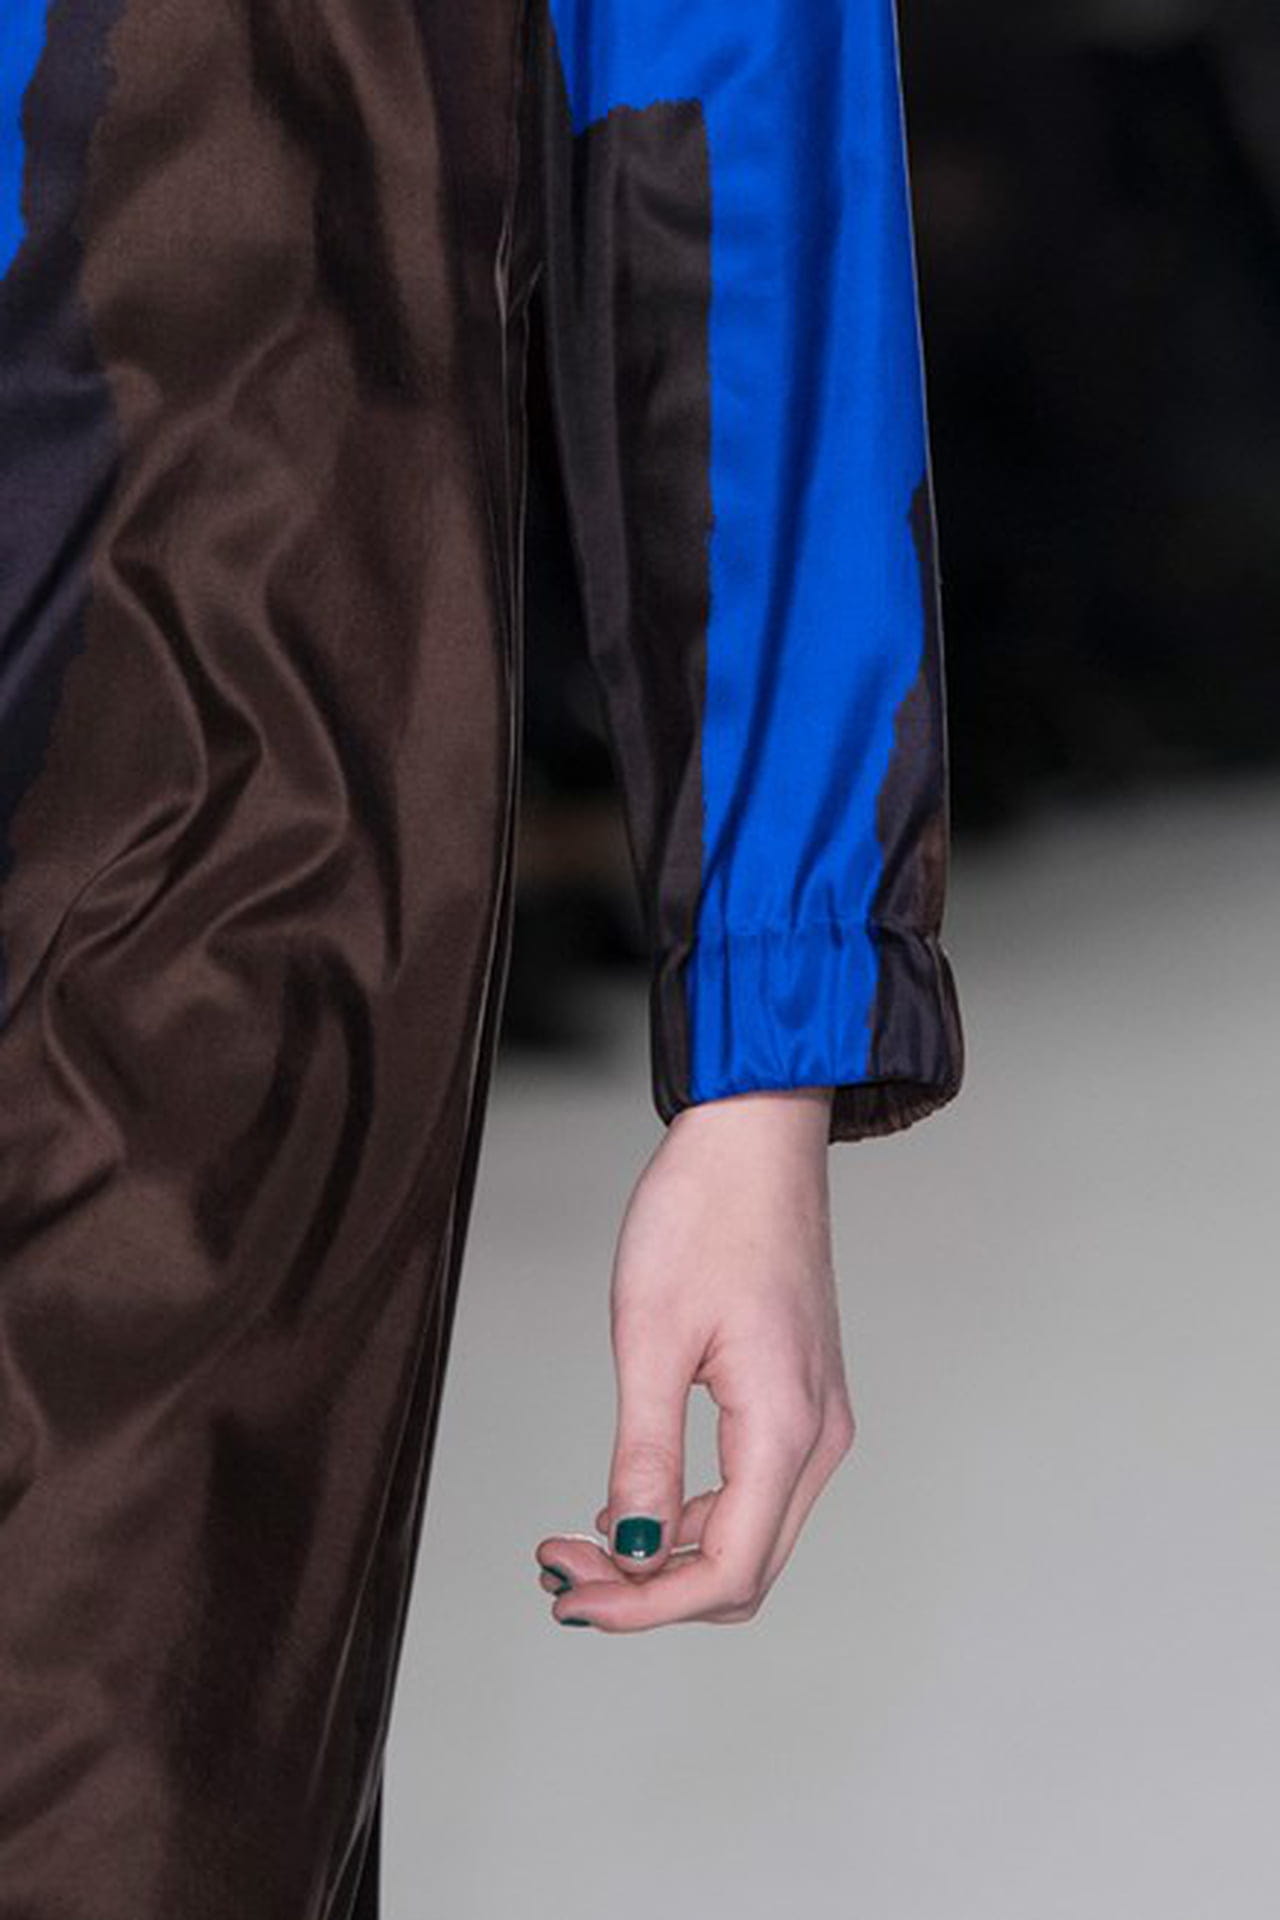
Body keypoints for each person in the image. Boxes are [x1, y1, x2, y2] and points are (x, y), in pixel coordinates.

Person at [0, 1, 964, 1914]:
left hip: (212, 742)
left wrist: (769, 1045)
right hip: (228, 665)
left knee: (111, 1802)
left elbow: (734, 95)